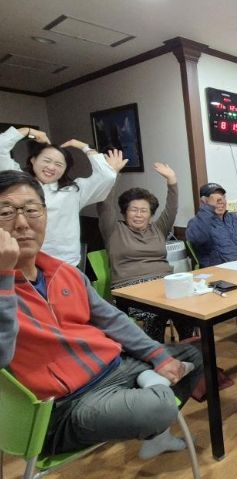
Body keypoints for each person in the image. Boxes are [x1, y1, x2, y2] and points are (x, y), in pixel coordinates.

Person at [0, 170, 202, 459]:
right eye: (6, 212)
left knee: (196, 354)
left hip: (115, 367)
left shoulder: (64, 272)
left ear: (44, 215)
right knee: (158, 406)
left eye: (31, 210)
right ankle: (151, 395)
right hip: (67, 403)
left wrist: (158, 356)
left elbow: (112, 319)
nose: (21, 223)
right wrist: (4, 277)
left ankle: (152, 415)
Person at [0, 126, 126, 267]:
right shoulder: (18, 182)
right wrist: (29, 131)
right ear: (33, 160)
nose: (51, 167)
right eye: (47, 160)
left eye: (59, 164)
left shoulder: (74, 191)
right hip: (24, 262)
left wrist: (84, 147)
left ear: (65, 169)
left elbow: (107, 176)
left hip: (66, 263)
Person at [97, 162, 193, 342]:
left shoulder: (158, 228)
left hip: (163, 286)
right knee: (155, 314)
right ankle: (156, 354)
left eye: (144, 211)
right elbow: (105, 205)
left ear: (151, 214)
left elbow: (171, 208)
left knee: (188, 310)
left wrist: (172, 180)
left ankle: (190, 350)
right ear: (124, 212)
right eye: (133, 210)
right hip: (129, 290)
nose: (139, 214)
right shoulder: (113, 230)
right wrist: (112, 174)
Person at [186, 182, 237, 336]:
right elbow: (197, 238)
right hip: (222, 275)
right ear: (204, 201)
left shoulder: (233, 218)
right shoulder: (197, 223)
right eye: (215, 199)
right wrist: (208, 210)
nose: (221, 202)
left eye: (222, 198)